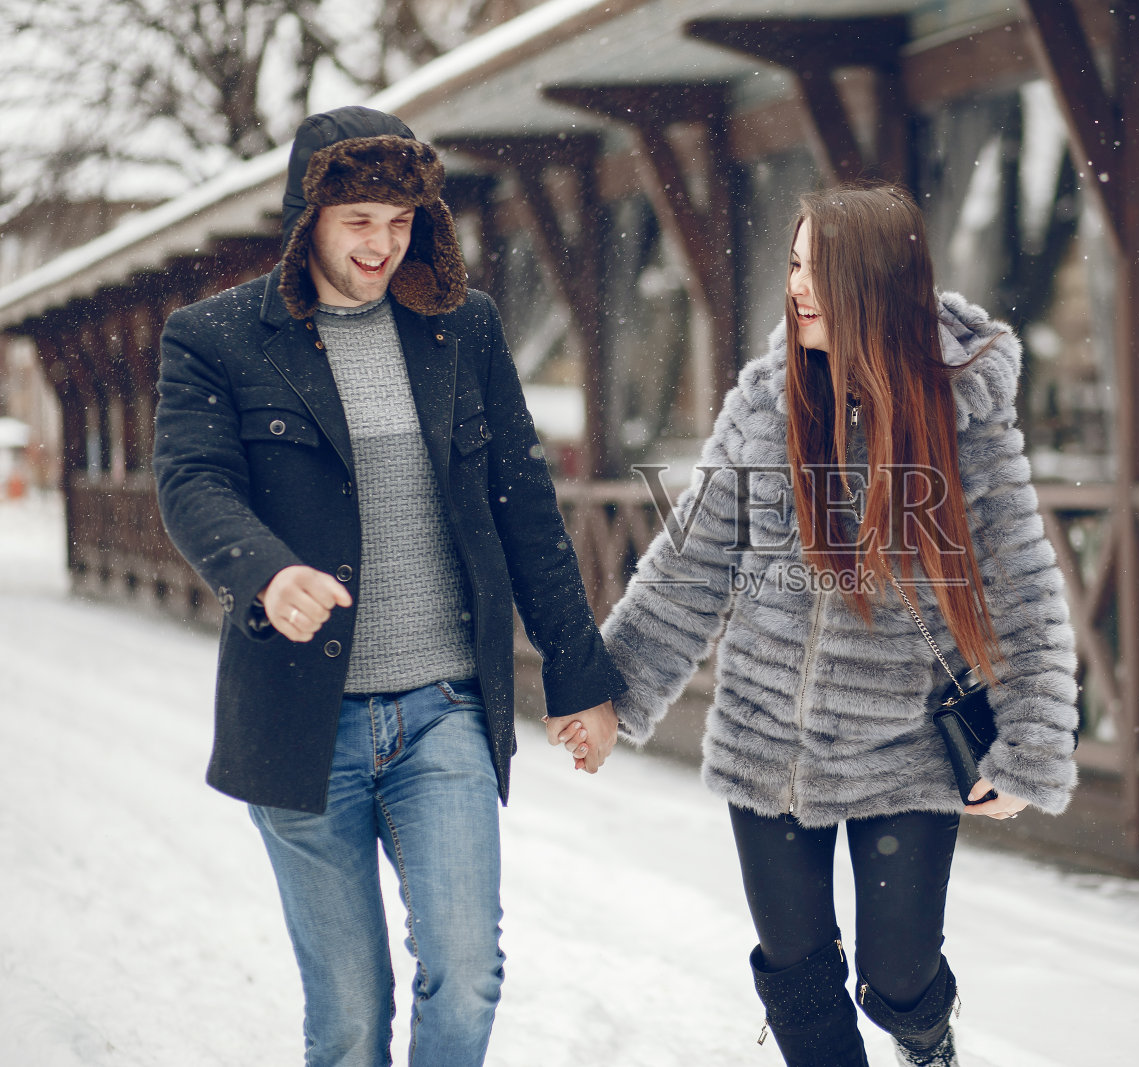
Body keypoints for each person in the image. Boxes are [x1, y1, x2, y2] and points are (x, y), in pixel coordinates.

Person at [153, 106, 625, 1065]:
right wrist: (265, 570)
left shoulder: (462, 329)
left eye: (401, 220)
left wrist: (581, 678)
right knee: (352, 1019)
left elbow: (524, 503)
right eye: (359, 219)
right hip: (299, 723)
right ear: (308, 216)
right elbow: (194, 481)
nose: (381, 244)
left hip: (442, 708)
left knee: (468, 970)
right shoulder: (217, 338)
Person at [598, 185, 1079, 1067]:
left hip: (905, 748)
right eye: (793, 264)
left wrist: (1035, 743)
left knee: (896, 972)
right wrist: (608, 693)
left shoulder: (964, 417)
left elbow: (1024, 590)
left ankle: (924, 1038)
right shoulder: (764, 402)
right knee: (799, 976)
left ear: (877, 284)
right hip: (765, 740)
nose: (800, 287)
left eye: (822, 269)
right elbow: (688, 566)